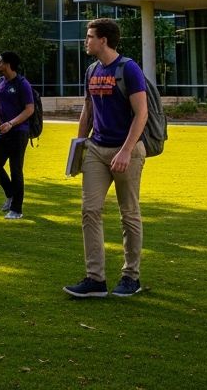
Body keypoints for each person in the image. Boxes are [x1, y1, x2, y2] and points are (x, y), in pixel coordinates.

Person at [63, 18, 148, 299]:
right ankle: (95, 278)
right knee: (89, 210)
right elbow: (87, 111)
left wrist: (125, 150)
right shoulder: (91, 71)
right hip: (97, 150)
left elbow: (141, 114)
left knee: (129, 214)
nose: (86, 41)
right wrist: (78, 148)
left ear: (104, 40)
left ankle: (130, 276)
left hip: (127, 150)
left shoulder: (129, 69)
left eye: (89, 37)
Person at [0, 51, 36, 220]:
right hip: (1, 130)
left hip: (18, 132)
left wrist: (12, 123)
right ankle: (10, 194)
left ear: (7, 64)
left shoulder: (22, 84)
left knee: (16, 170)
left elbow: (30, 109)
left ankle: (17, 209)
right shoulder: (1, 82)